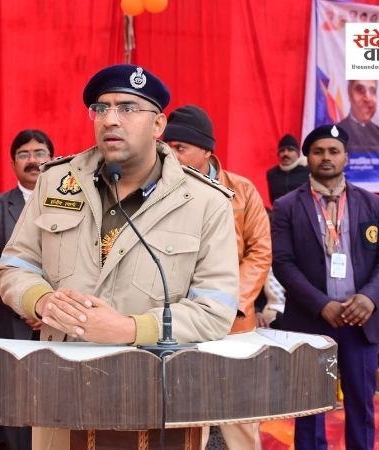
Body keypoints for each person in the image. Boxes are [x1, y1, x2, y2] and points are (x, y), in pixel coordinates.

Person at [0, 64, 240, 450]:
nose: (110, 119)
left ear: (158, 125)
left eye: (127, 108)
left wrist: (130, 329)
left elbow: (215, 309)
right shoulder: (56, 182)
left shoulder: (204, 202)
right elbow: (15, 266)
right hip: (62, 392)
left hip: (159, 399)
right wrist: (42, 300)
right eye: (100, 108)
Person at [272, 124, 379, 449]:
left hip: (361, 320)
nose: (326, 157)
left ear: (346, 157)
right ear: (308, 158)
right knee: (309, 407)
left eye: (333, 151)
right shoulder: (287, 206)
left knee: (361, 405)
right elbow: (283, 263)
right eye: (318, 152)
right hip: (311, 320)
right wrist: (321, 304)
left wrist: (369, 298)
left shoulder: (372, 204)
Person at [162, 104, 270, 450]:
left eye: (180, 147)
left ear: (207, 151)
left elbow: (260, 251)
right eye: (167, 146)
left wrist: (229, 304)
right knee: (186, 413)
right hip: (179, 319)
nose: (171, 155)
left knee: (240, 413)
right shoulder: (158, 189)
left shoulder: (242, 190)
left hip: (233, 321)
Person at [0, 128, 54, 450]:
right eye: (24, 154)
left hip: (58, 320)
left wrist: (51, 308)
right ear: (13, 163)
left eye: (39, 153)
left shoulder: (71, 204)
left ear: (52, 160)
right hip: (11, 320)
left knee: (54, 394)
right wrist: (24, 304)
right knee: (15, 398)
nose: (32, 160)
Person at [337, 80, 379, 155]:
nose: (368, 98)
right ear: (349, 93)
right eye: (360, 90)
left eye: (372, 91)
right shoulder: (334, 135)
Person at [266, 133, 309, 203]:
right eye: (282, 150)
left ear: (298, 153)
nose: (285, 154)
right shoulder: (272, 174)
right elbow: (273, 199)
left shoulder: (308, 171)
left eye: (290, 150)